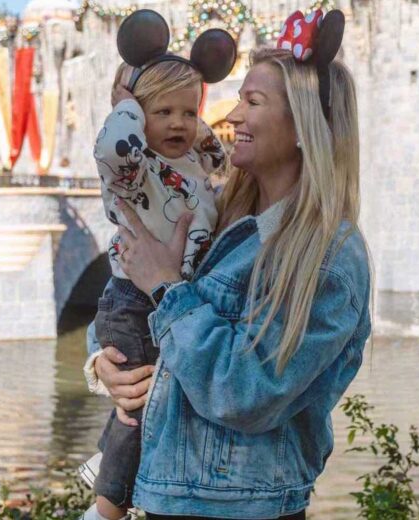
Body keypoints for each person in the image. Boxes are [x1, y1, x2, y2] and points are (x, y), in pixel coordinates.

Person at [85, 8, 372, 519]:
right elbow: (133, 298)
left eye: (252, 101)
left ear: (305, 126)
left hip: (243, 508)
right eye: (238, 99)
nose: (232, 116)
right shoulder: (218, 213)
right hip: (168, 497)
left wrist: (167, 289)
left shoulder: (326, 257)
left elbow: (245, 392)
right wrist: (104, 363)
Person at [86, 56, 227, 519]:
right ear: (139, 117)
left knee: (147, 396)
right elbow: (112, 146)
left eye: (188, 112)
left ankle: (105, 467)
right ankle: (106, 509)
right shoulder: (133, 167)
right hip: (133, 299)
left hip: (163, 295)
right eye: (163, 113)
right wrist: (126, 104)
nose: (179, 123)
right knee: (143, 405)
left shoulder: (187, 158)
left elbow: (217, 153)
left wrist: (185, 110)